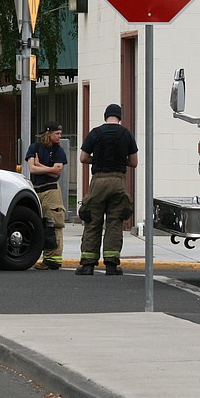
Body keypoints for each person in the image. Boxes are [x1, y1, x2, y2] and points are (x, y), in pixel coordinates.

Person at [76, 103, 138, 276]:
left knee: (92, 222)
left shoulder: (95, 133)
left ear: (105, 116)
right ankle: (111, 264)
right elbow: (134, 162)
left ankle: (88, 265)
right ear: (120, 117)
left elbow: (83, 158)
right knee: (114, 222)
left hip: (98, 182)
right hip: (118, 181)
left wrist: (97, 160)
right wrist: (120, 160)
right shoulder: (126, 134)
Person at [27, 121, 68, 270]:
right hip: (37, 190)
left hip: (51, 190)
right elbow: (31, 169)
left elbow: (56, 172)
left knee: (54, 223)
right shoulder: (34, 147)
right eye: (57, 133)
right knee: (40, 224)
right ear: (48, 133)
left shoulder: (59, 151)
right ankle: (45, 256)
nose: (60, 136)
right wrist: (46, 168)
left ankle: (54, 259)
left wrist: (40, 165)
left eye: (60, 133)